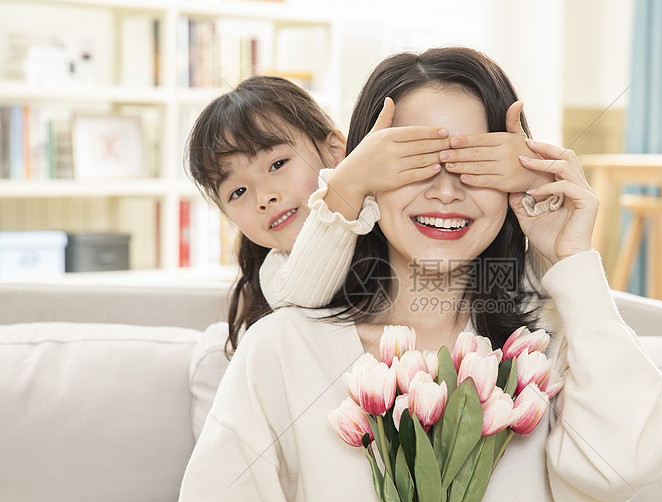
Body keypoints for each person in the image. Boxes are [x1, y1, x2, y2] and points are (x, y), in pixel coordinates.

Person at [174, 47, 662, 502]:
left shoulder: (547, 334)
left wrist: (568, 257)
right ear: (362, 170)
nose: (445, 190)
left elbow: (624, 469)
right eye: (416, 161)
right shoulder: (281, 347)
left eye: (473, 163)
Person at [186, 75, 545, 353]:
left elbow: (527, 284)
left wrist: (531, 180)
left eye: (277, 163)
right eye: (237, 192)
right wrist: (349, 182)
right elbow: (307, 295)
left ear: (335, 151)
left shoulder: (383, 214)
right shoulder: (280, 270)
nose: (264, 197)